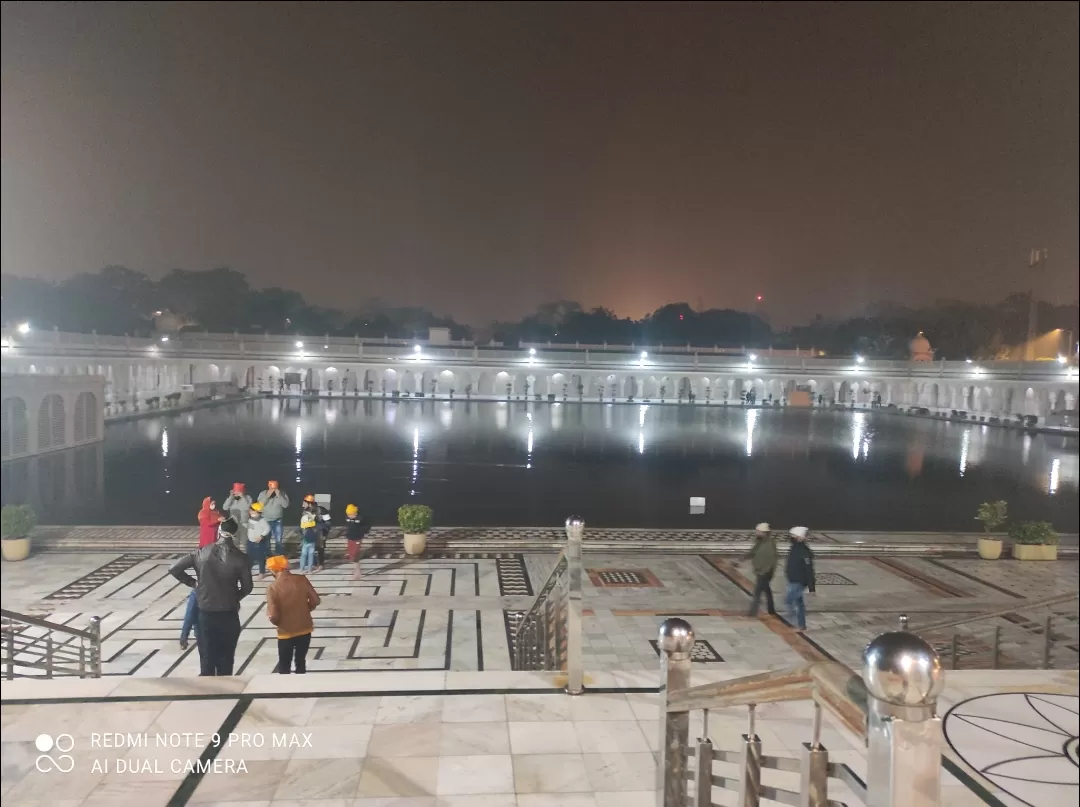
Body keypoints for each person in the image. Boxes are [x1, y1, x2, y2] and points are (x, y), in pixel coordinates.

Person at [169, 517, 253, 675]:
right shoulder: (241, 558)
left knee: (207, 658)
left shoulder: (201, 553)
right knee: (226, 659)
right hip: (229, 613)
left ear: (219, 532)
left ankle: (209, 695)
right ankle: (226, 694)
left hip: (206, 613)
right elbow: (248, 587)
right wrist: (235, 597)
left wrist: (194, 584)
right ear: (235, 534)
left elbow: (174, 568)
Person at [265, 554, 321, 674]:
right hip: (305, 627)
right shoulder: (302, 579)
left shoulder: (272, 588)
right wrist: (305, 610)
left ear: (275, 570)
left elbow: (274, 615)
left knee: (284, 665)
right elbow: (316, 600)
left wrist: (276, 621)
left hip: (286, 632)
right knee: (301, 662)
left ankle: (285, 690)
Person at [785, 526, 816, 631]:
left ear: (799, 538)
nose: (791, 538)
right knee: (798, 603)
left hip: (798, 582)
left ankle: (796, 623)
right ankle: (800, 625)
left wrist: (811, 588)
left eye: (793, 536)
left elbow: (809, 571)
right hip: (793, 581)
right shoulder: (794, 548)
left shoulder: (804, 552)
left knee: (790, 602)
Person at [746, 522, 778, 617]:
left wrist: (764, 571)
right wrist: (742, 559)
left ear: (764, 533)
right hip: (760, 571)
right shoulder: (759, 542)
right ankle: (771, 609)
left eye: (758, 531)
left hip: (765, 572)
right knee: (766, 590)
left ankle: (752, 612)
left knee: (757, 592)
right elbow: (753, 551)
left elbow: (771, 559)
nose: (756, 533)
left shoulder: (769, 544)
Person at [257, 481, 290, 555]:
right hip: (266, 520)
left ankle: (278, 555)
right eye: (271, 488)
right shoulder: (263, 493)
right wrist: (267, 495)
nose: (273, 490)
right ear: (268, 486)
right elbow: (259, 505)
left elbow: (285, 505)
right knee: (266, 539)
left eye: (275, 488)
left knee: (278, 540)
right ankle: (267, 555)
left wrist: (279, 495)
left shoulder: (282, 493)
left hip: (277, 520)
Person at [301, 494, 331, 571]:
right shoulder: (305, 512)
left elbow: (328, 522)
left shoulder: (322, 510)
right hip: (310, 533)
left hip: (320, 532)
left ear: (309, 503)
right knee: (311, 549)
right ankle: (313, 563)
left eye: (304, 503)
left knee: (320, 548)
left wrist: (325, 532)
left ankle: (320, 564)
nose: (302, 505)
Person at [344, 503, 371, 580]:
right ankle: (355, 569)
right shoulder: (347, 518)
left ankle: (358, 572)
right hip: (350, 537)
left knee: (355, 554)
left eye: (352, 514)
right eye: (349, 514)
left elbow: (367, 526)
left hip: (357, 538)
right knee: (351, 554)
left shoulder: (360, 519)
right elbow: (348, 527)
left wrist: (362, 532)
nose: (350, 516)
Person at [246, 501, 271, 579]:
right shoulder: (250, 519)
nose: (250, 512)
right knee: (249, 558)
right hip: (250, 541)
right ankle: (248, 571)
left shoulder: (262, 520)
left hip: (259, 542)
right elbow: (250, 529)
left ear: (258, 512)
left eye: (253, 511)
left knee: (261, 558)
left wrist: (261, 536)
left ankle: (262, 572)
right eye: (250, 511)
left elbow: (267, 528)